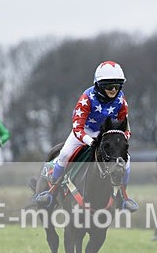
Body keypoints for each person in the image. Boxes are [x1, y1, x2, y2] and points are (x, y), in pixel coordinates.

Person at [32, 61, 138, 212]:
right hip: (84, 132)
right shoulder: (87, 98)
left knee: (127, 161)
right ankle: (51, 193)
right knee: (64, 154)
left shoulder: (121, 99)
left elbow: (125, 125)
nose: (114, 89)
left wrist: (121, 138)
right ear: (99, 85)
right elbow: (77, 127)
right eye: (109, 86)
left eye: (117, 85)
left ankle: (123, 198)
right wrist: (90, 141)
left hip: (107, 135)